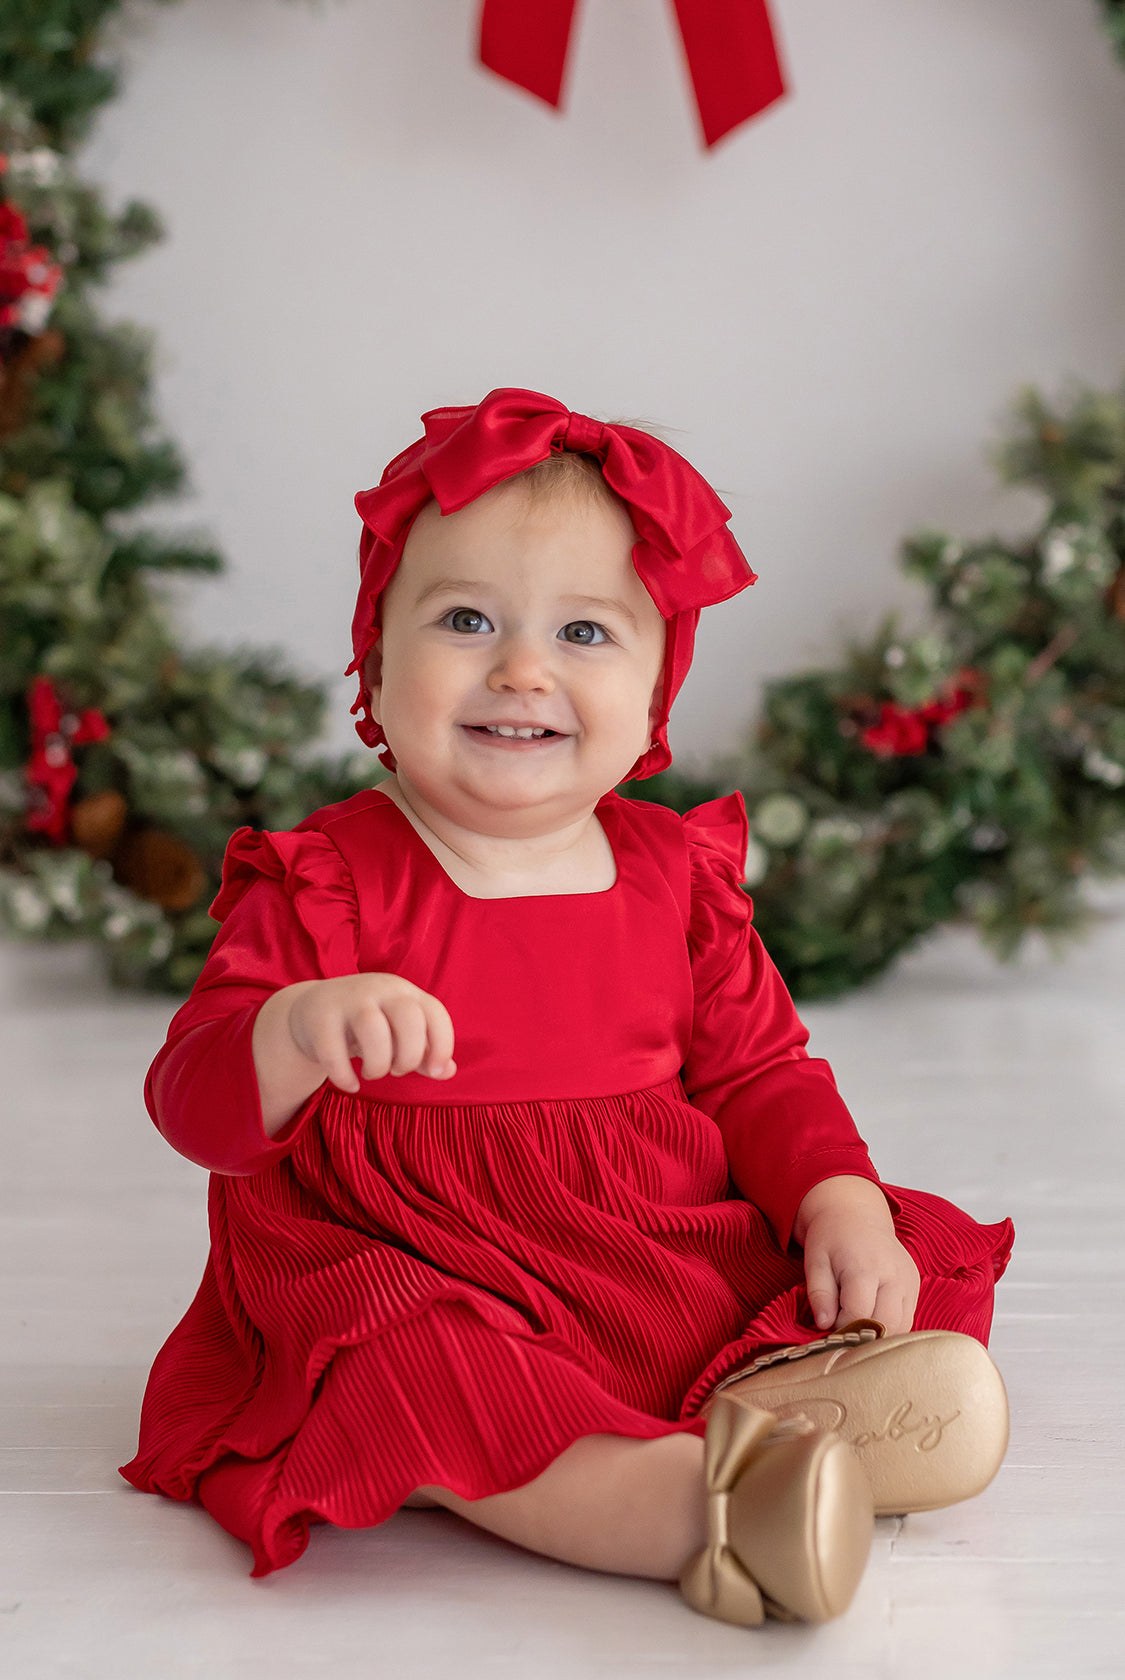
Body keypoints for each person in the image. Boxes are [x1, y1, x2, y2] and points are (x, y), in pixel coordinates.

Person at [120, 388, 1014, 1628]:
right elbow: (192, 1101)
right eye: (466, 618)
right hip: (410, 1258)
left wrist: (836, 1200)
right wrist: (288, 1032)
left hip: (633, 1242)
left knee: (895, 1252)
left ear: (657, 691)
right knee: (418, 1367)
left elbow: (762, 1076)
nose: (523, 669)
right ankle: (689, 1506)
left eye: (586, 633)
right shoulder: (327, 881)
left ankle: (805, 1400)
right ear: (376, 653)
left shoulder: (671, 877)